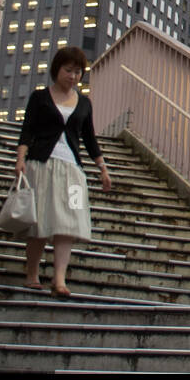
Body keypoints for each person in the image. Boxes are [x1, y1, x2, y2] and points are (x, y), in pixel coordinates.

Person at [13, 45, 112, 297]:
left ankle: (59, 280)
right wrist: (20, 158)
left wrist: (102, 168)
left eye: (78, 72)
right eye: (68, 70)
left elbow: (89, 139)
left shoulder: (84, 103)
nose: (73, 76)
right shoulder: (40, 97)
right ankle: (32, 274)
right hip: (40, 165)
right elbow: (28, 130)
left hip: (72, 169)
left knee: (67, 224)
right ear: (57, 69)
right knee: (39, 221)